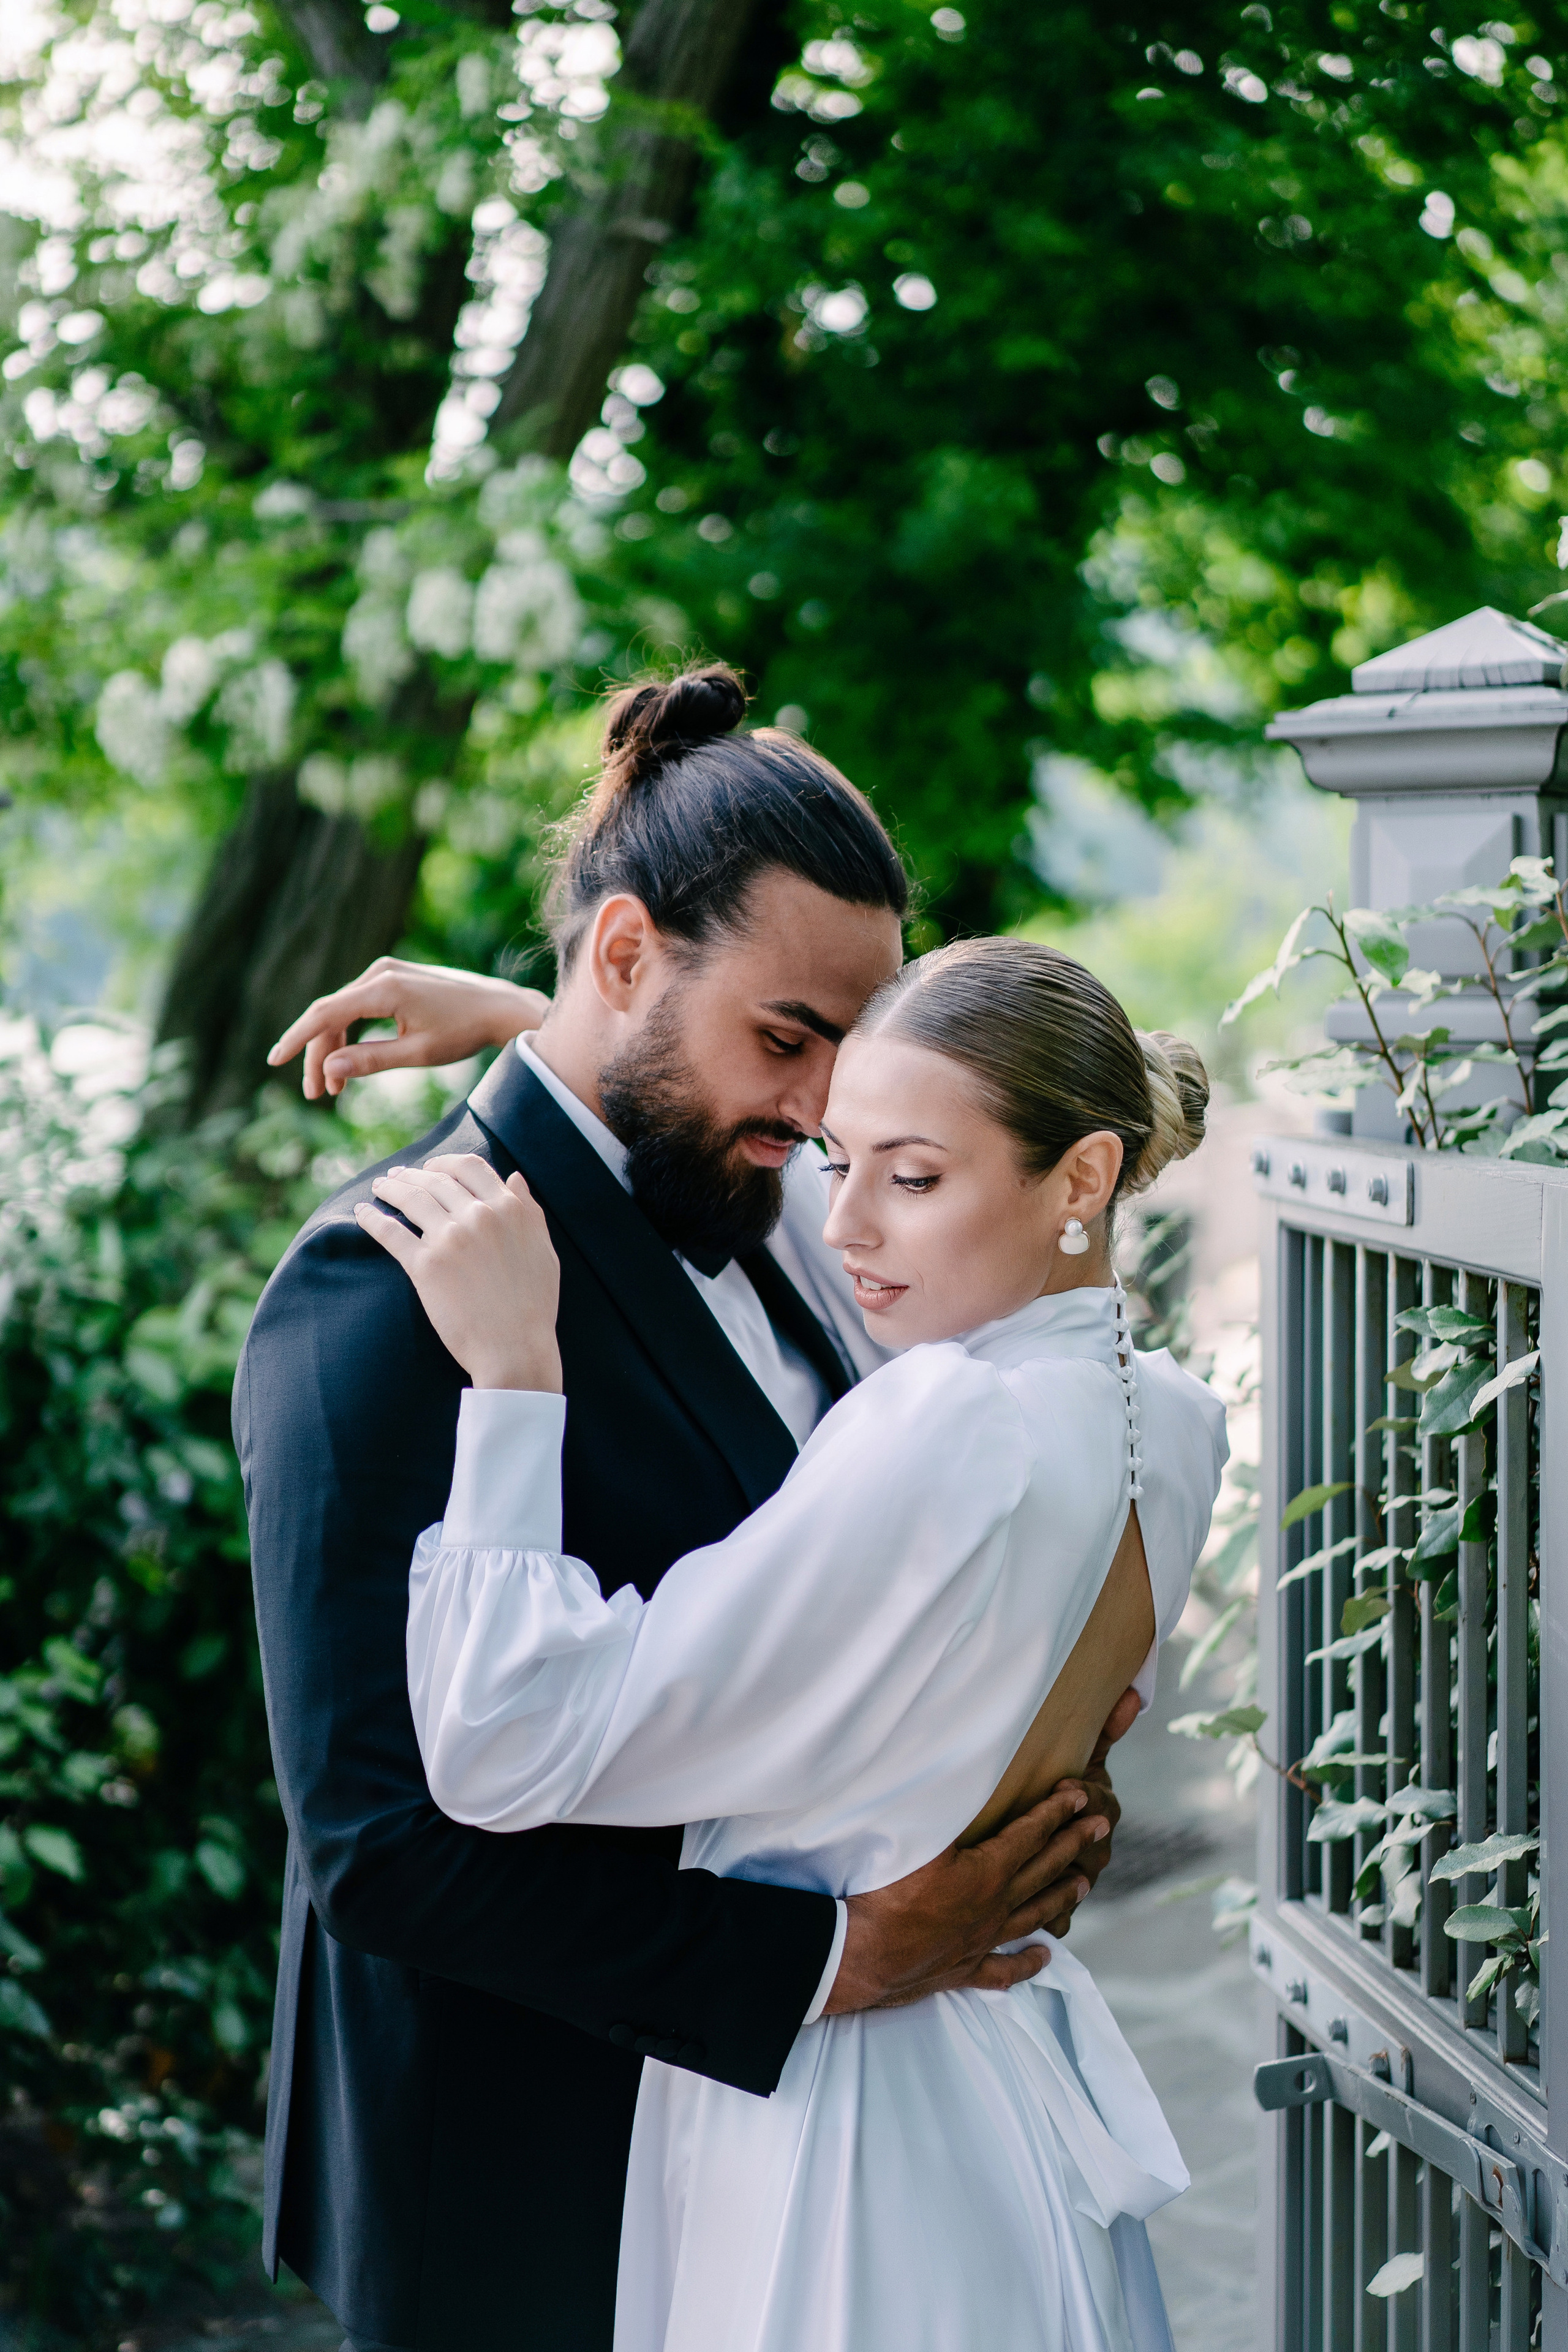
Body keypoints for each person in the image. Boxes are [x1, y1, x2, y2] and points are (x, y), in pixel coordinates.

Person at [243, 667, 1129, 2352]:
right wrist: (835, 1960)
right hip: (525, 2169)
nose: (820, 1111)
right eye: (789, 1043)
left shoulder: (764, 1199)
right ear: (629, 955)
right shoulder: (374, 1303)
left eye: (844, 1055)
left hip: (770, 2163)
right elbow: (377, 1854)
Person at [358, 931, 1227, 2352]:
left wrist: (516, 1383)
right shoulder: (1169, 1421)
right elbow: (862, 1268)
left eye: (913, 1176)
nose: (844, 1228)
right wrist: (554, 1029)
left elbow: (506, 1738)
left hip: (846, 2135)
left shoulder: (940, 1424)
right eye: (837, 1158)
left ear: (1081, 1179)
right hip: (1004, 2096)